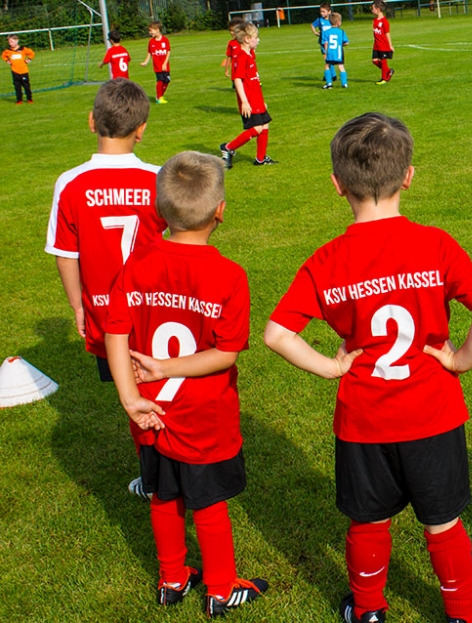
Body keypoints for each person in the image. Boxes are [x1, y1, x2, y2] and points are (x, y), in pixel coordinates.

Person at [263, 112, 472, 623]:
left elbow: (276, 334)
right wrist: (458, 360)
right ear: (408, 176)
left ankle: (368, 612)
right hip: (433, 413)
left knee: (368, 522)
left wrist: (331, 368)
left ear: (337, 185)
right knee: (442, 522)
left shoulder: (326, 260)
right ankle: (463, 615)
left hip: (364, 419)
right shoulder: (435, 244)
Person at [104, 151, 268, 616]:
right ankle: (220, 588)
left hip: (150, 411)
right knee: (209, 502)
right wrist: (168, 367)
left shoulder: (137, 264)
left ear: (160, 210)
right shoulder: (229, 276)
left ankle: (172, 579)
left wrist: (130, 397)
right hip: (204, 415)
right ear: (221, 211)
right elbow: (226, 353)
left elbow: (115, 332)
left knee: (163, 493)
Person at [44, 78, 167, 499]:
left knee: (130, 391)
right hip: (157, 307)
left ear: (92, 121)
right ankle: (173, 466)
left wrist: (78, 306)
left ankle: (154, 477)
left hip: (105, 311)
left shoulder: (70, 182)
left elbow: (66, 254)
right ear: (142, 128)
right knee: (160, 384)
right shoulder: (158, 178)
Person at [219, 23, 276, 168]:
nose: (258, 40)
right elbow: (237, 79)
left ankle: (260, 159)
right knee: (257, 129)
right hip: (249, 101)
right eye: (256, 37)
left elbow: (254, 80)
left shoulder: (250, 55)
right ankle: (228, 148)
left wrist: (262, 101)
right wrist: (244, 101)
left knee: (265, 125)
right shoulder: (241, 57)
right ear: (247, 39)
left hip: (257, 99)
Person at [140, 21, 171, 103]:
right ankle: (159, 98)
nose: (150, 32)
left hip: (165, 66)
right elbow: (149, 53)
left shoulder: (165, 40)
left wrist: (165, 63)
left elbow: (168, 52)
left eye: (151, 30)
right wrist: (146, 62)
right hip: (157, 66)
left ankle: (160, 96)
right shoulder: (151, 42)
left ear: (157, 29)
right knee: (160, 80)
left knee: (167, 81)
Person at [3, 34, 34, 104]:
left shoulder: (23, 49)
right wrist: (7, 61)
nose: (10, 43)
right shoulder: (8, 51)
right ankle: (19, 100)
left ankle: (29, 98)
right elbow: (4, 56)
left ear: (17, 41)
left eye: (12, 41)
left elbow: (31, 53)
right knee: (17, 86)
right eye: (9, 42)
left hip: (23, 71)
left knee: (26, 86)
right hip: (14, 71)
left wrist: (28, 60)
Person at [323, 12, 350, 89]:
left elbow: (326, 44)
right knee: (341, 66)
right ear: (338, 22)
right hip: (339, 52)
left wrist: (325, 53)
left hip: (330, 53)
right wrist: (340, 44)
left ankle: (329, 83)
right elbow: (346, 43)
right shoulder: (341, 32)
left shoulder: (326, 32)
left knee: (327, 66)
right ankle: (344, 84)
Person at [371, 0, 394, 85]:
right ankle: (388, 71)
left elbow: (387, 33)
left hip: (383, 45)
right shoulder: (374, 21)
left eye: (373, 9)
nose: (372, 10)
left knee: (383, 61)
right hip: (376, 45)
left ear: (377, 9)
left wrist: (390, 45)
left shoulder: (384, 21)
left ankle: (384, 78)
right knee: (374, 60)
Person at [221, 17, 244, 88]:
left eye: (233, 31)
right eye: (230, 30)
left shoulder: (245, 42)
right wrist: (226, 69)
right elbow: (229, 57)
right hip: (235, 71)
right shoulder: (231, 43)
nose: (231, 32)